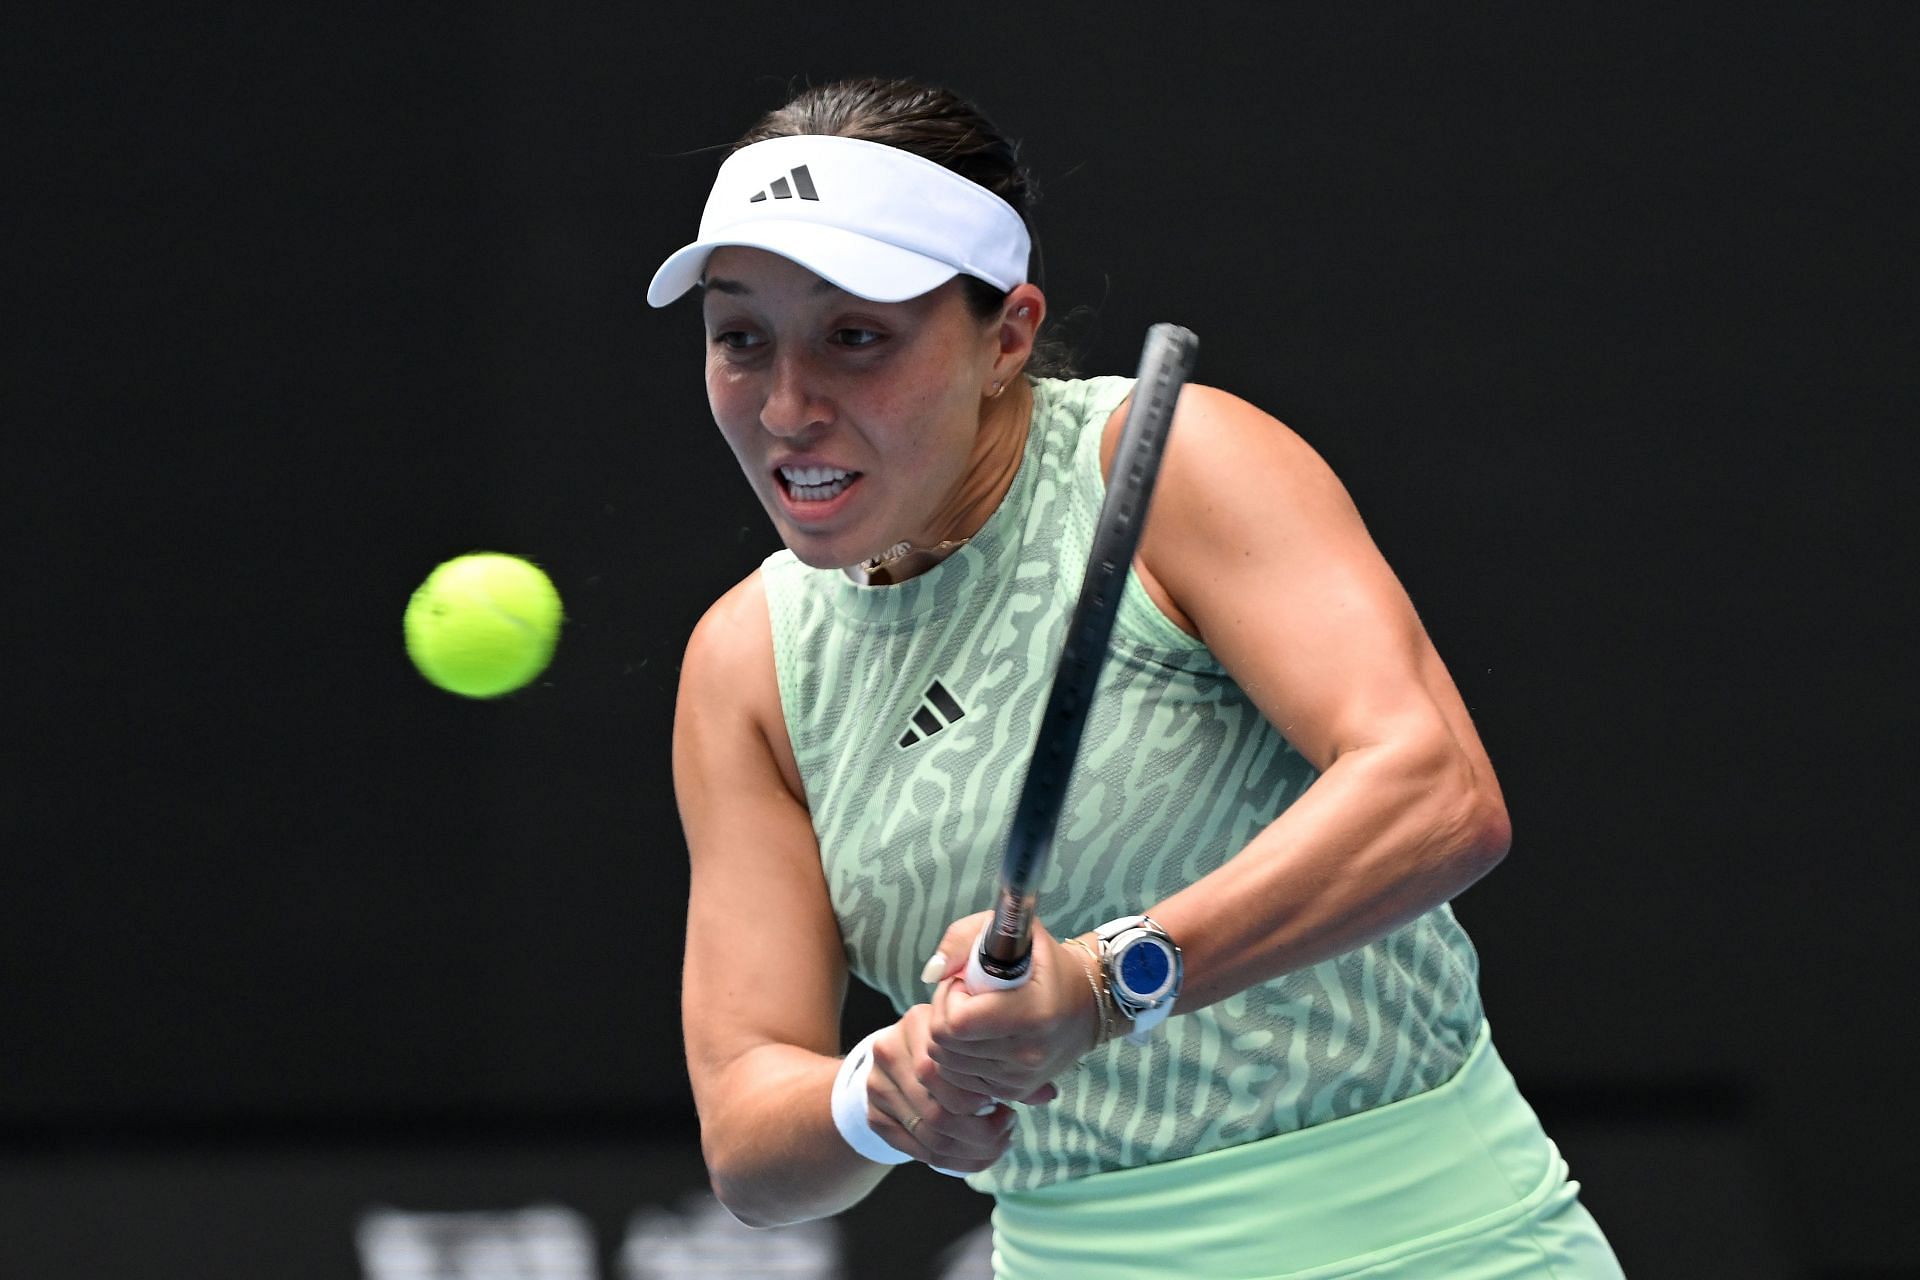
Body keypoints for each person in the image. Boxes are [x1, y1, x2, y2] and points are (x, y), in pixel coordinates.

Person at [654, 77, 1623, 1278]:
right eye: (740, 337)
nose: (787, 406)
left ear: (1006, 335)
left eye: (856, 336)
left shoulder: (1170, 467)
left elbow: (1435, 790)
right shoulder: (746, 662)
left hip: (1446, 1248)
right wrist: (882, 1088)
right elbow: (751, 1131)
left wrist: (1108, 983)